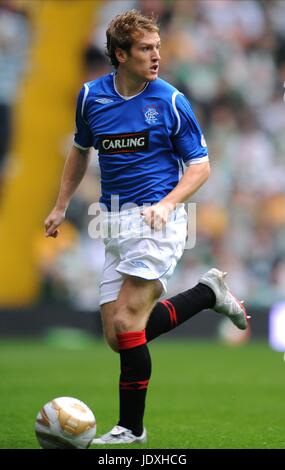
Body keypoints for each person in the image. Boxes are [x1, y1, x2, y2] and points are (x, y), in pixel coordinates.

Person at [44, 10, 249, 445]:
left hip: (159, 220)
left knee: (127, 320)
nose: (156, 56)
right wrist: (61, 206)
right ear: (120, 55)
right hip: (112, 220)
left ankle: (130, 430)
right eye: (145, 49)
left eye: (157, 47)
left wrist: (167, 204)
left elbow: (200, 166)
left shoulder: (171, 101)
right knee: (119, 336)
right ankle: (208, 294)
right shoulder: (90, 98)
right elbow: (80, 151)